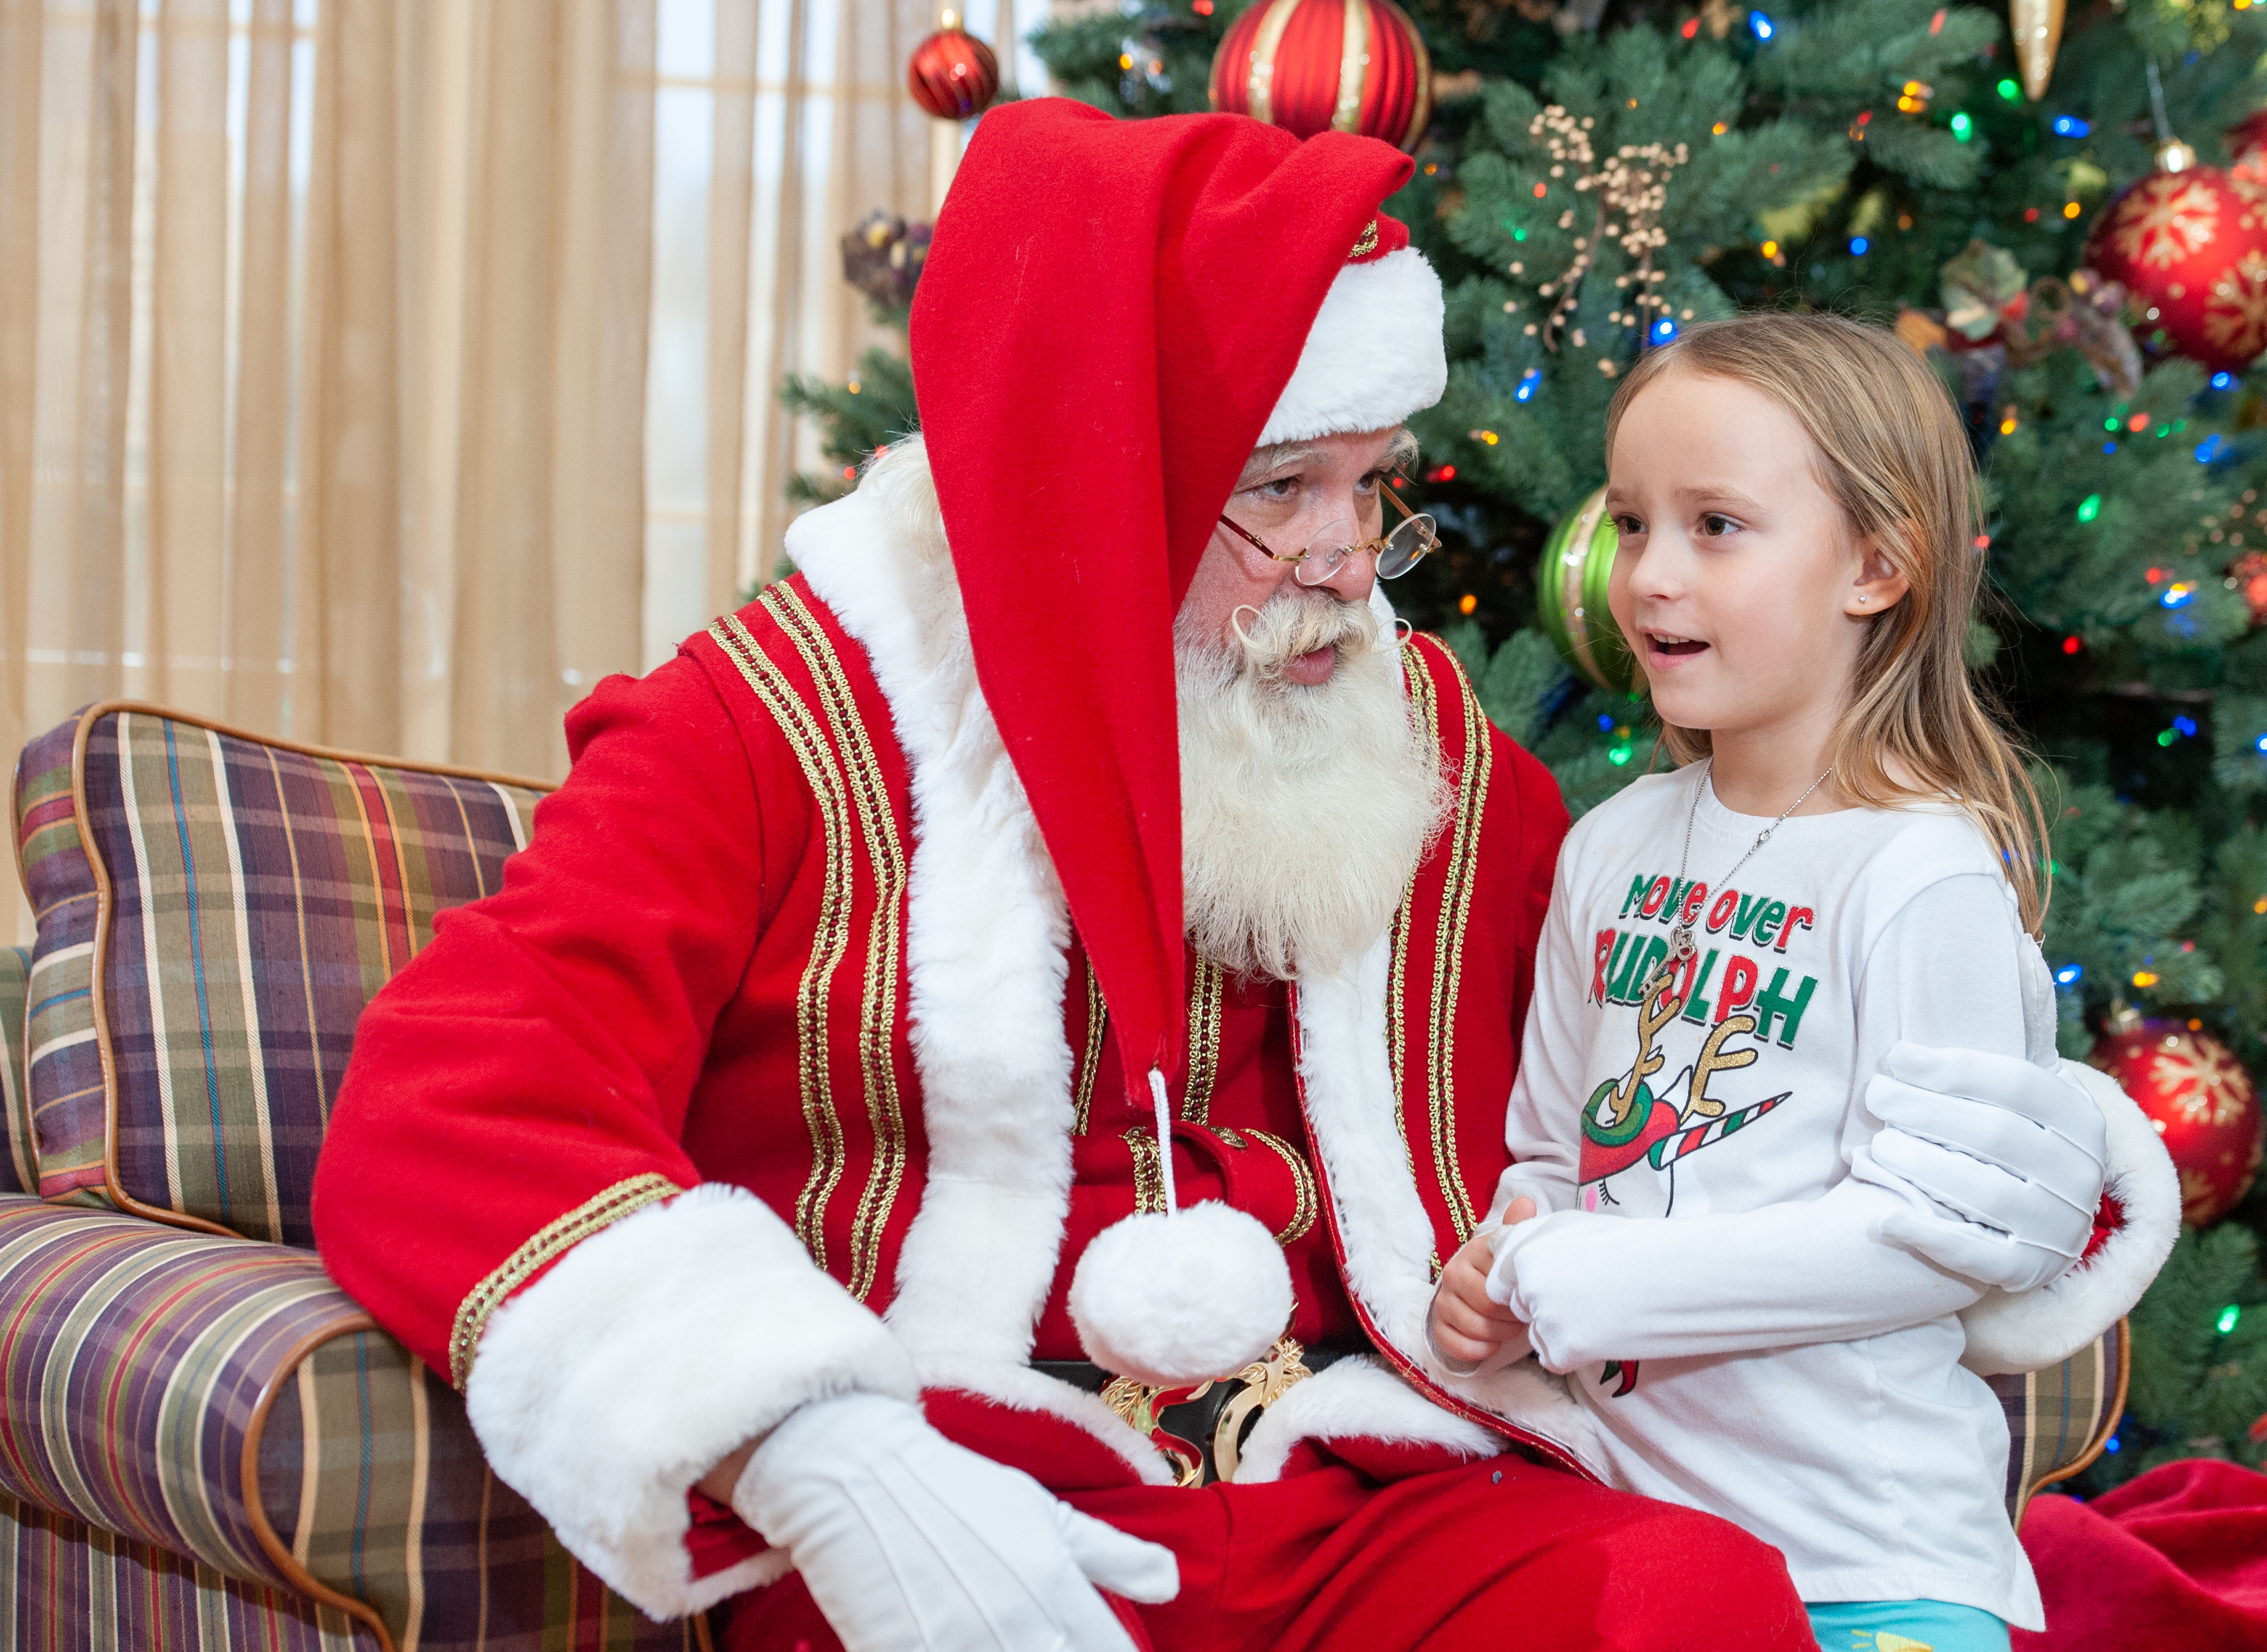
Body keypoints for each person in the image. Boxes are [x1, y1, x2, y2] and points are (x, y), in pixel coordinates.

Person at [312, 104, 2131, 1652]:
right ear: (1098, 478)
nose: (1349, 560)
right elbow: (459, 1098)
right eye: (1279, 490)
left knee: (1674, 1597)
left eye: (1377, 484)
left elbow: (1681, 1055)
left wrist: (2020, 1156)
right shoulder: (774, 724)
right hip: (966, 1481)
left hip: (1348, 1478)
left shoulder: (1426, 754)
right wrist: (814, 1449)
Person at [1427, 314, 2180, 1652]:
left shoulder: (1919, 881)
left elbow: (1932, 1237)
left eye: (1715, 525)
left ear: (1876, 565)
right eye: (1630, 520)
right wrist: (1502, 1272)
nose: (1647, 574)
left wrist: (1598, 1285)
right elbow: (1546, 1154)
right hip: (1624, 1537)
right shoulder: (1611, 847)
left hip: (1864, 1560)